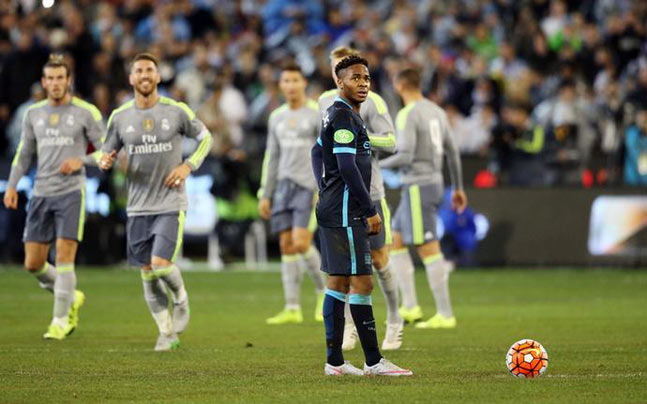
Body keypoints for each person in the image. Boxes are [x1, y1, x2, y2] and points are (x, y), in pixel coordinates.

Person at [99, 53, 212, 351]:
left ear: (158, 77)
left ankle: (181, 299)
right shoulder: (120, 116)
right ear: (132, 78)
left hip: (170, 202)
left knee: (161, 265)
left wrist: (188, 166)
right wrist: (106, 160)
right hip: (137, 206)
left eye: (150, 70)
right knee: (146, 273)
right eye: (139, 71)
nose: (145, 75)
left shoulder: (176, 111)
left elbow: (206, 138)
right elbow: (105, 152)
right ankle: (166, 332)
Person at [312, 55, 412, 376]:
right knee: (363, 282)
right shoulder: (343, 117)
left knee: (338, 282)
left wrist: (323, 185)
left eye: (366, 78)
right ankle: (373, 362)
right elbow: (346, 166)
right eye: (355, 78)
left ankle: (335, 363)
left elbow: (317, 151)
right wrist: (369, 209)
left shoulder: (340, 115)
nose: (363, 83)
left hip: (335, 205)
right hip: (346, 210)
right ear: (339, 82)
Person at [3, 54, 104, 340]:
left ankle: (60, 321)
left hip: (71, 192)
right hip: (40, 192)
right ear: (44, 82)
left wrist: (81, 161)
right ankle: (70, 295)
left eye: (61, 78)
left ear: (68, 81)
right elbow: (24, 154)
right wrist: (12, 186)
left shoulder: (86, 112)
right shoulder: (33, 114)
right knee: (33, 263)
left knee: (64, 256)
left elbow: (107, 150)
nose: (56, 83)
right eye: (51, 78)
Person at [380, 68, 467, 329]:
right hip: (430, 184)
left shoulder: (408, 113)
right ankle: (410, 306)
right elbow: (452, 151)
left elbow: (405, 156)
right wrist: (459, 187)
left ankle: (445, 313)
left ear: (399, 85)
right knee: (395, 240)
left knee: (427, 247)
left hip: (419, 185)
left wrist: (375, 161)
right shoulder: (437, 111)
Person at [257, 63, 326, 324]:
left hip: (308, 187)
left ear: (303, 83)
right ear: (281, 85)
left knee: (301, 241)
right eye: (286, 80)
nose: (291, 85)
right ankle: (292, 307)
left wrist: (322, 187)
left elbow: (326, 154)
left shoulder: (316, 114)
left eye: (295, 80)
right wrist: (266, 192)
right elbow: (272, 157)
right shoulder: (276, 117)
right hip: (283, 186)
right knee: (286, 245)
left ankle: (323, 292)